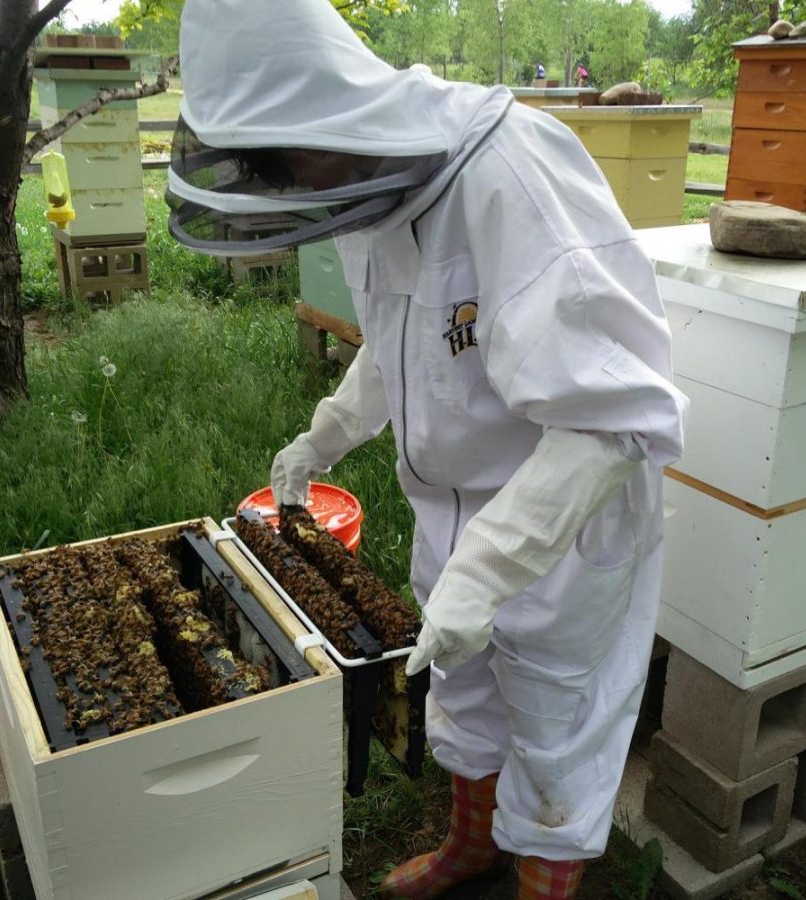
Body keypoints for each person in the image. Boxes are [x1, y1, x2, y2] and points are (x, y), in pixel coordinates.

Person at [167, 1, 687, 897]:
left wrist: (491, 572)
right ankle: (473, 844)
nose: (295, 189)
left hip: (561, 522)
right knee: (466, 692)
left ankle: (545, 879)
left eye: (289, 163)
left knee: (558, 723)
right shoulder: (368, 186)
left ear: (323, 108)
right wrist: (324, 435)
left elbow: (615, 416)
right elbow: (402, 339)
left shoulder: (513, 173)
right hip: (451, 510)